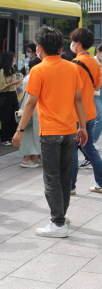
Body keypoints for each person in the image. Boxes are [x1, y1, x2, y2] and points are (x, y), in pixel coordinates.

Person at [13, 26, 87, 238]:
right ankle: (61, 215)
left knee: (51, 177)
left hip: (50, 132)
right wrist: (82, 126)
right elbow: (79, 99)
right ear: (61, 47)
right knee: (65, 175)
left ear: (39, 48)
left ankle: (57, 223)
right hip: (69, 130)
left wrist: (19, 130)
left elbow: (30, 103)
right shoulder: (72, 67)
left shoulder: (38, 70)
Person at [70, 28, 102, 195]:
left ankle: (71, 187)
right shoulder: (95, 63)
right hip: (90, 111)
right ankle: (101, 183)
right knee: (89, 148)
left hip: (76, 114)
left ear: (78, 43)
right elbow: (97, 86)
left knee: (72, 150)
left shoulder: (74, 64)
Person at [19, 57, 42, 168]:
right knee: (31, 136)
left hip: (28, 109)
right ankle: (26, 159)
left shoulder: (27, 77)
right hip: (33, 110)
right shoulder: (32, 77)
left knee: (31, 135)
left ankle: (33, 158)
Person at [0, 51, 22, 146]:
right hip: (6, 95)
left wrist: (15, 89)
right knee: (6, 117)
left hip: (12, 94)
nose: (14, 59)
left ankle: (12, 135)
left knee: (14, 116)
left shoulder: (11, 68)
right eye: (13, 58)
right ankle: (4, 139)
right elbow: (1, 86)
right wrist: (13, 84)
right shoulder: (3, 71)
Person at [92, 43, 102, 146]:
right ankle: (92, 141)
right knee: (100, 117)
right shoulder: (93, 62)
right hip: (95, 92)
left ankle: (92, 141)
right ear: (98, 52)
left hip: (100, 91)